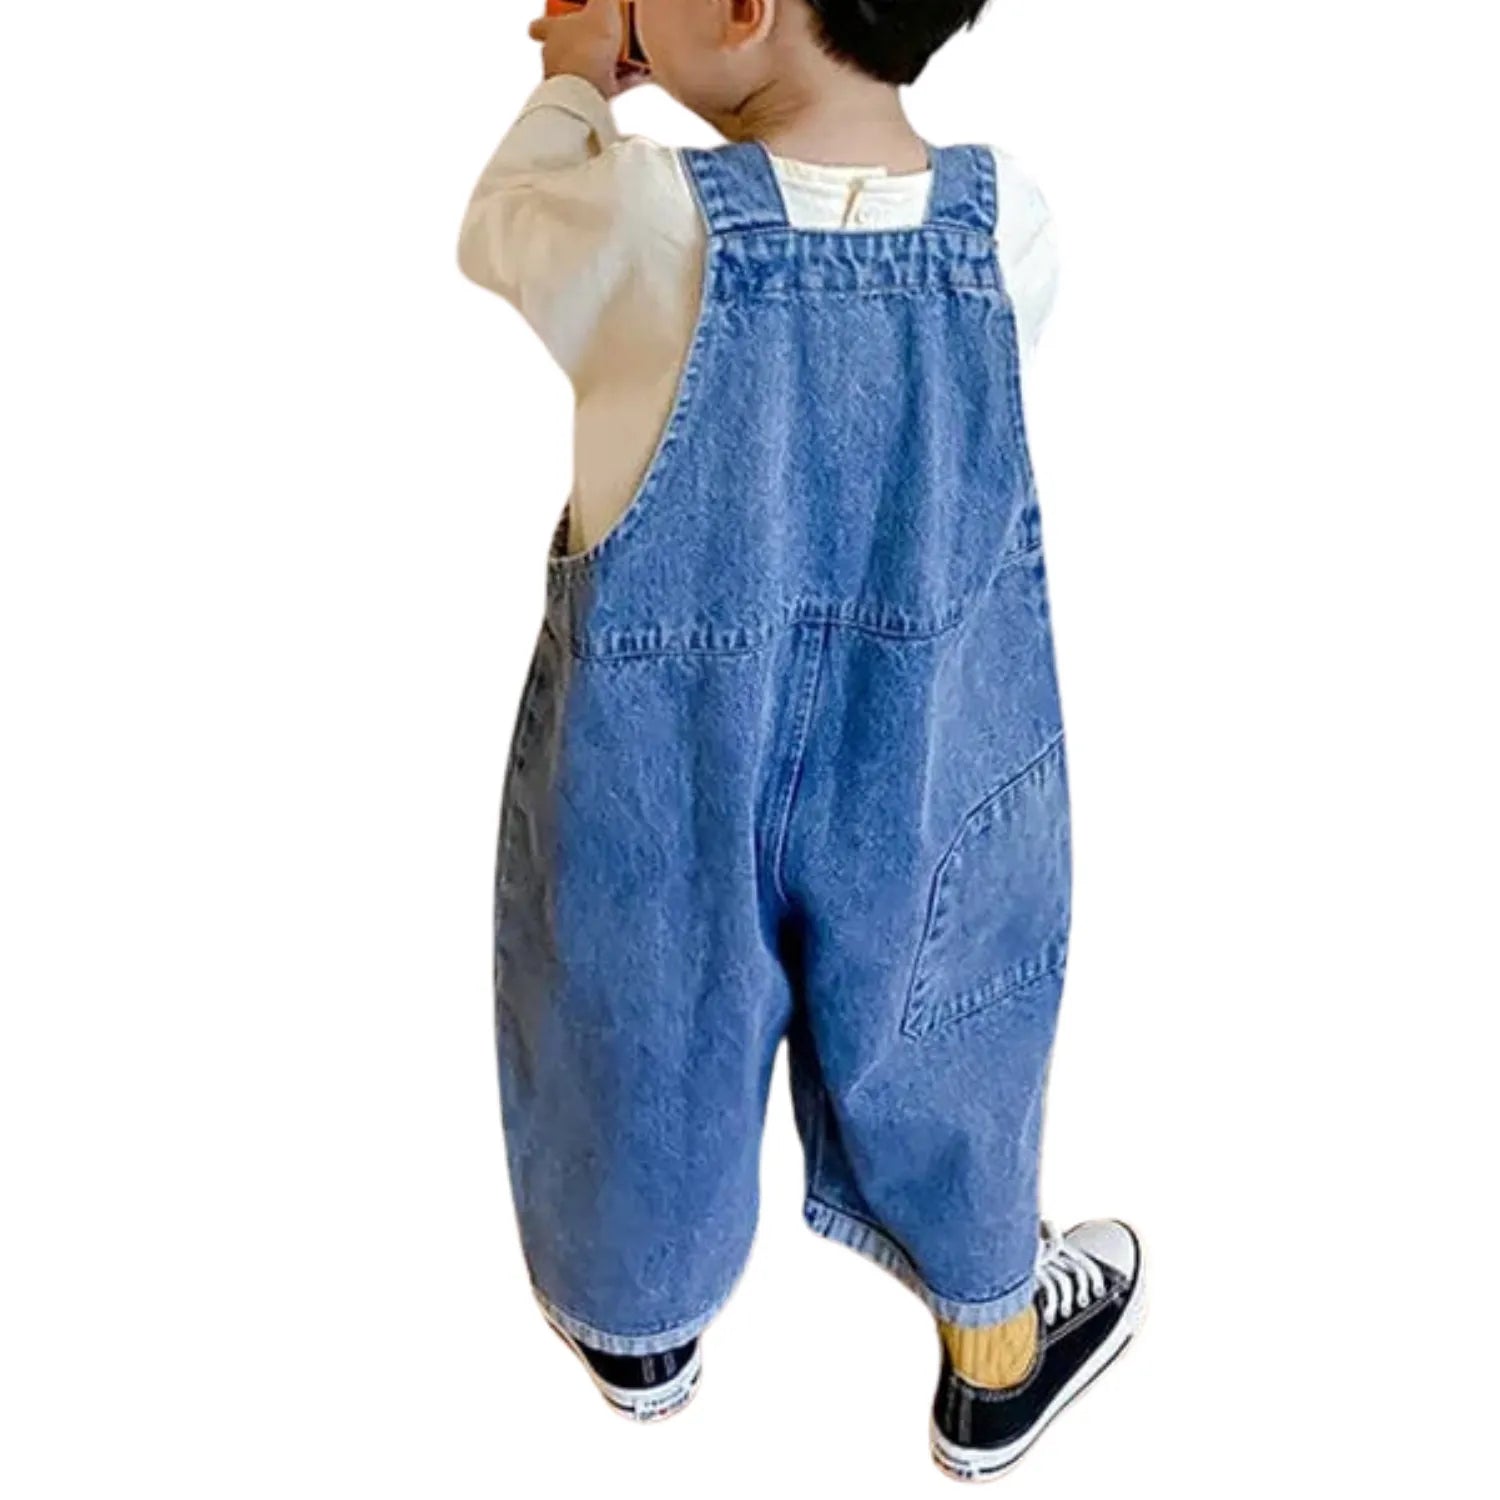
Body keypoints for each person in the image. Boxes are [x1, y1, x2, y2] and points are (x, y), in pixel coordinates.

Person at [458, 0, 1144, 1478]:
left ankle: (637, 1329)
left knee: (642, 999)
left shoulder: (643, 221)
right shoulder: (1007, 228)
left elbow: (505, 219)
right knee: (952, 1002)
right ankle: (994, 1349)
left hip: (671, 744)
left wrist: (575, 81)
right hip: (929, 731)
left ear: (742, 11)